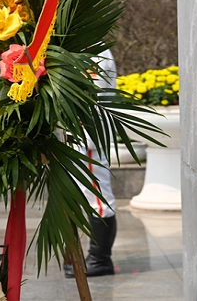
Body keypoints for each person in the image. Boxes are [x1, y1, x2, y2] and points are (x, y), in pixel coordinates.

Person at [64, 48, 118, 278]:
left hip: (87, 136)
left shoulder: (95, 49)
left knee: (98, 199)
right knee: (74, 197)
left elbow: (90, 94)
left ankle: (100, 259)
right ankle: (77, 258)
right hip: (73, 135)